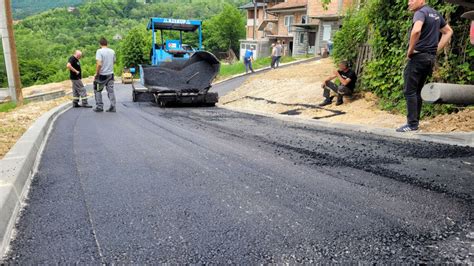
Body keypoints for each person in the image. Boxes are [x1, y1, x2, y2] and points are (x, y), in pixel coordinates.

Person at [396, 0, 453, 132]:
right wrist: (435, 50)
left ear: (422, 1)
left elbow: (416, 31)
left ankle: (411, 125)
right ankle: (414, 123)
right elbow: (448, 31)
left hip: (418, 57)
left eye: (412, 0)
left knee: (409, 90)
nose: (408, 3)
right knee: (417, 90)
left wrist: (410, 50)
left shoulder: (420, 12)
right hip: (429, 58)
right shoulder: (435, 14)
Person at [93, 37, 117, 112]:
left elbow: (99, 64)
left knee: (97, 90)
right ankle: (113, 106)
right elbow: (114, 61)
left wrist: (97, 73)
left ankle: (99, 106)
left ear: (100, 44)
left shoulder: (99, 51)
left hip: (101, 75)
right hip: (110, 74)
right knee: (111, 91)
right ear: (107, 43)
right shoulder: (112, 51)